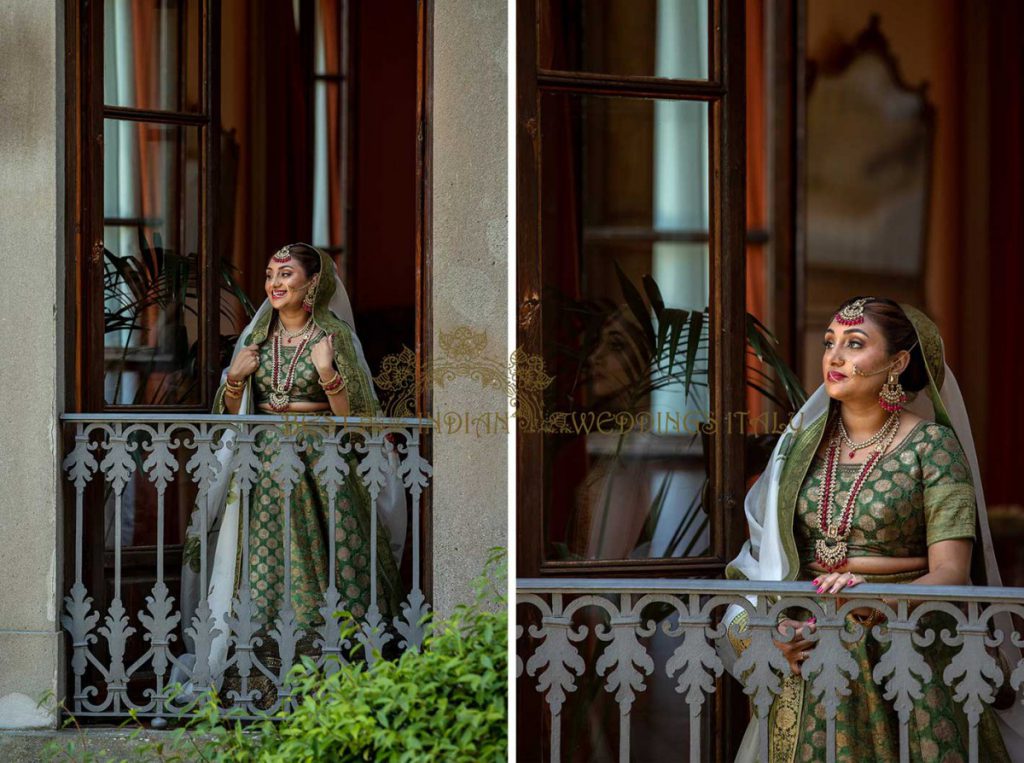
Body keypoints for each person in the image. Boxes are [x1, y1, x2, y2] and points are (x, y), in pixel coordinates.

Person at [719, 297, 1022, 762]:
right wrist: (771, 632)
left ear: (898, 362)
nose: (834, 357)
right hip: (812, 640)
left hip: (908, 646)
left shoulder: (933, 447)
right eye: (829, 343)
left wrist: (863, 607)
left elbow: (951, 572)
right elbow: (765, 558)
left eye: (854, 343)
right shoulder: (802, 447)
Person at [175, 243, 405, 702]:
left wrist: (327, 372)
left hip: (321, 466)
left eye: (285, 275)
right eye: (270, 275)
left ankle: (327, 680)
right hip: (261, 465)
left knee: (323, 567)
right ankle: (255, 678)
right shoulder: (257, 337)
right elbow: (232, 413)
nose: (274, 285)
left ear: (312, 284)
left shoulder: (333, 335)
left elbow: (356, 416)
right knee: (259, 568)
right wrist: (236, 378)